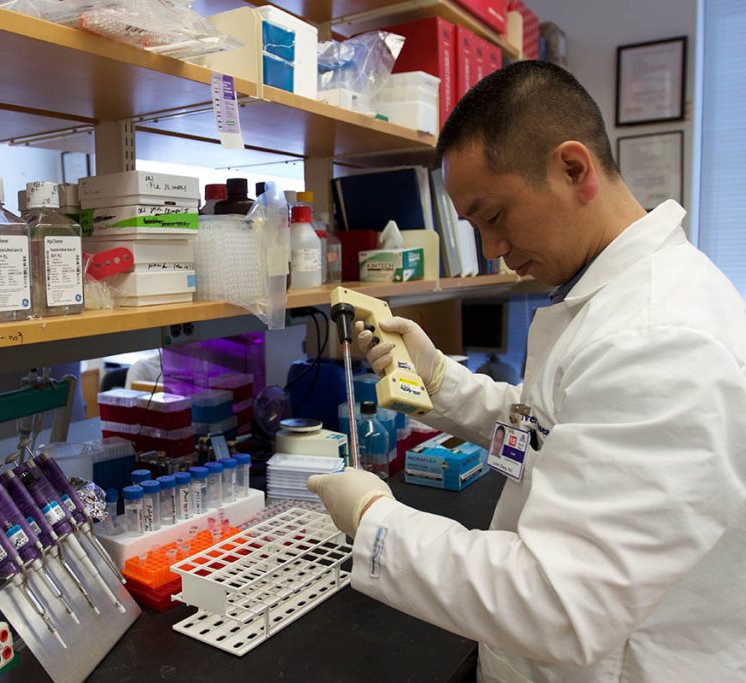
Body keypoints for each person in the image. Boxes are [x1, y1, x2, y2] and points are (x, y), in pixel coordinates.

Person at [308, 61, 746, 682]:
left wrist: (376, 520)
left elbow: (562, 604)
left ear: (573, 169)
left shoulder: (660, 339)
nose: (491, 249)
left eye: (493, 217)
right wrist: (441, 383)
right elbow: (554, 430)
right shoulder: (615, 301)